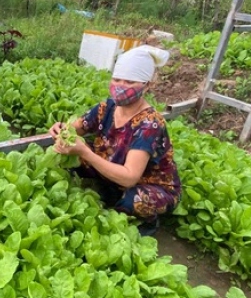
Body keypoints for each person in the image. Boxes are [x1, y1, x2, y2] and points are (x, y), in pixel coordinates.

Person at [49, 45, 181, 234]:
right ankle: (107, 192)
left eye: (129, 82)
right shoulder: (106, 108)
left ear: (147, 85)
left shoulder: (150, 124)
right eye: (117, 79)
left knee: (134, 201)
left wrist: (85, 152)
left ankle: (146, 223)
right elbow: (76, 127)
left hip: (146, 184)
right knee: (69, 153)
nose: (120, 86)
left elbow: (129, 178)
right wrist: (61, 130)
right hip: (111, 171)